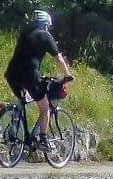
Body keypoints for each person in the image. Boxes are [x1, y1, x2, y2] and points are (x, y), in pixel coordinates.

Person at [4, 10, 75, 145]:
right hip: (30, 74)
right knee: (45, 108)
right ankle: (43, 139)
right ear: (45, 24)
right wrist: (67, 75)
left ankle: (13, 128)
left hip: (12, 73)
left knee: (22, 100)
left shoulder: (24, 34)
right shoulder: (45, 36)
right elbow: (58, 58)